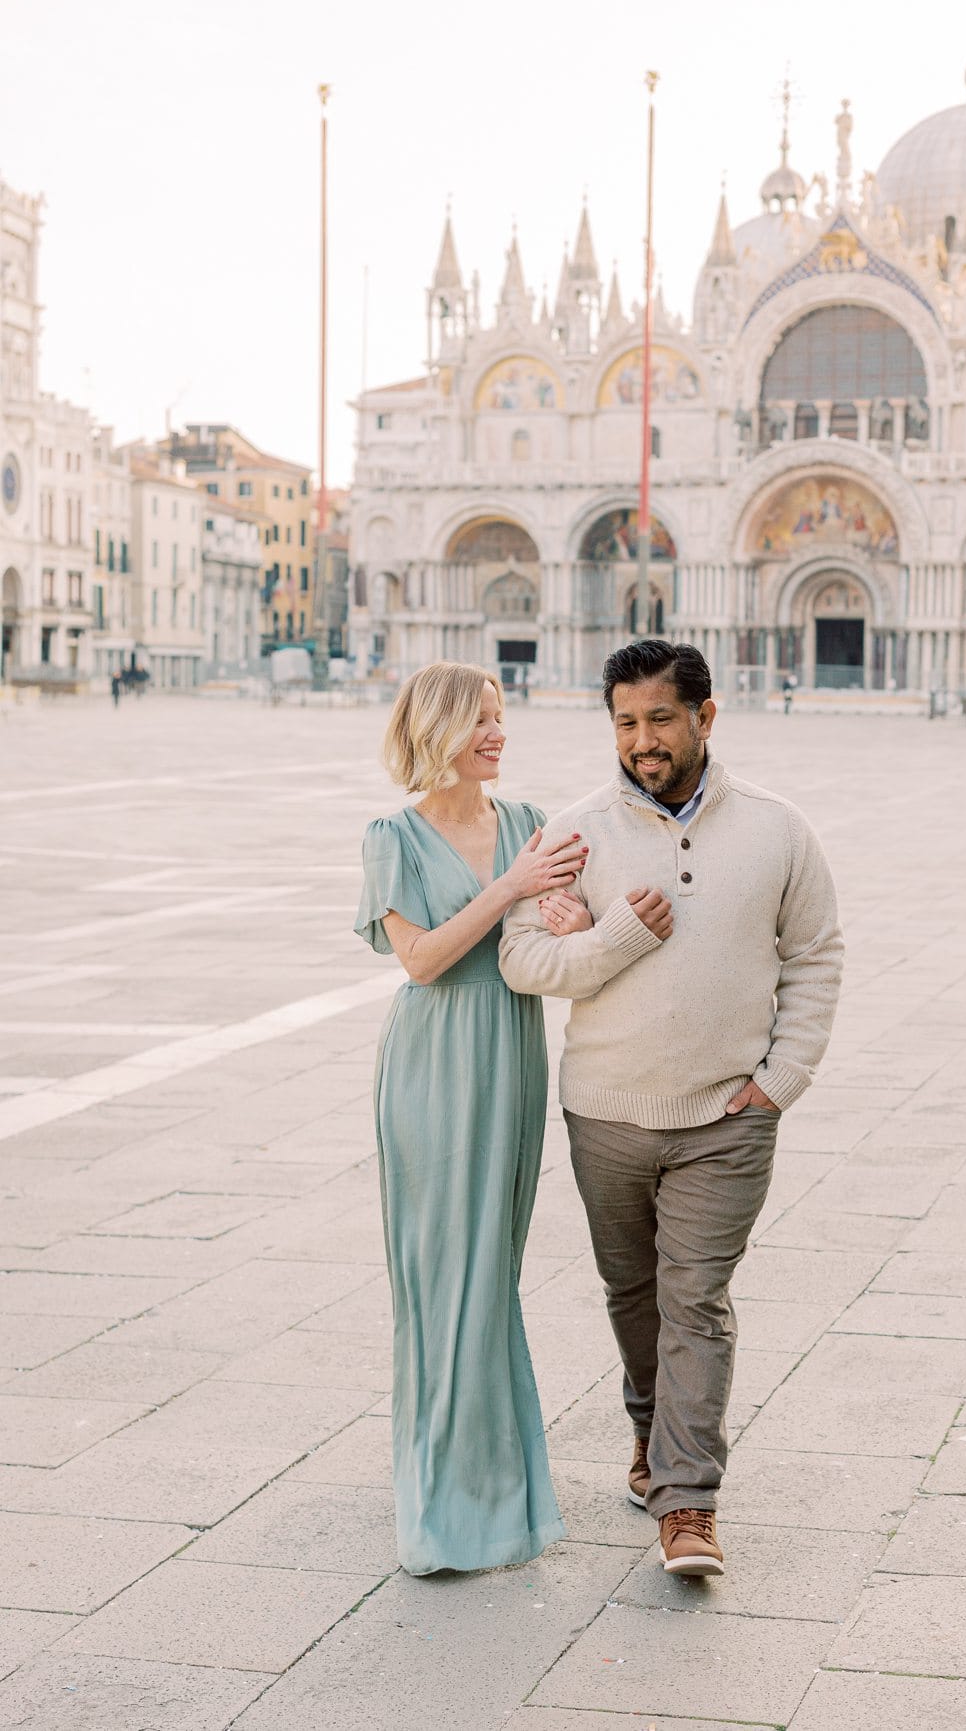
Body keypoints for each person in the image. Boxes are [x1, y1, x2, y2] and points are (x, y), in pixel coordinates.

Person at [500, 639, 844, 1580]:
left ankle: (687, 1501)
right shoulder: (571, 834)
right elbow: (523, 960)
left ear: (705, 715)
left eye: (659, 719)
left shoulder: (780, 829)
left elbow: (816, 954)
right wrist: (615, 936)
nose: (642, 740)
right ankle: (653, 1435)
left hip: (727, 1117)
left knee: (697, 1299)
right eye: (624, 721)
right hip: (605, 1111)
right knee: (636, 1294)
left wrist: (781, 1080)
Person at [353, 660, 590, 1575]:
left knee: (490, 1272)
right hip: (430, 1063)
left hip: (510, 1056)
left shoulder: (529, 824)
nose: (499, 732)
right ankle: (442, 1500)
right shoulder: (393, 836)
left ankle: (498, 1489)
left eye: (501, 717)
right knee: (438, 1274)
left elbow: (552, 924)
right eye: (482, 719)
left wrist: (567, 915)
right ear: (439, 727)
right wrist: (508, 891)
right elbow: (421, 961)